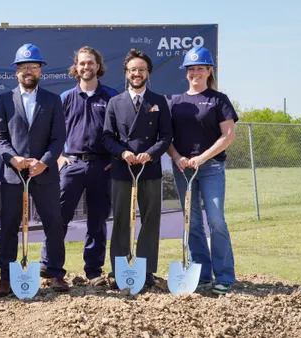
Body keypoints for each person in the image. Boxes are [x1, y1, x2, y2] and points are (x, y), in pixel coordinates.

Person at [0, 43, 70, 296]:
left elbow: (59, 137)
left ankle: (56, 273)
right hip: (14, 175)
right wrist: (13, 159)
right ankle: (5, 276)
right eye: (23, 67)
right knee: (9, 225)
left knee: (53, 223)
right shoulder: (4, 100)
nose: (28, 71)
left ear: (40, 70)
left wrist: (44, 161)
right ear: (16, 71)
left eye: (33, 66)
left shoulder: (53, 100)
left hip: (44, 174)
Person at [39, 46, 118, 286]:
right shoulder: (64, 98)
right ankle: (50, 267)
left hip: (101, 167)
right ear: (76, 67)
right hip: (71, 165)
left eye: (90, 63)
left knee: (97, 220)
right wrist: (60, 158)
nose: (86, 67)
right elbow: (52, 133)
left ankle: (93, 270)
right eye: (82, 63)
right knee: (58, 217)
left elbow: (119, 133)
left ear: (98, 66)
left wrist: (113, 160)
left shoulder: (111, 96)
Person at [167, 46, 238, 295]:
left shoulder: (219, 100)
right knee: (193, 223)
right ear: (186, 72)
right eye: (190, 68)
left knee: (216, 220)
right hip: (183, 169)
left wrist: (202, 158)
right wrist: (177, 157)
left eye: (200, 68)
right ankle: (203, 274)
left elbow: (228, 135)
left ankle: (225, 276)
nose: (195, 72)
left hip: (211, 168)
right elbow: (167, 138)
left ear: (209, 70)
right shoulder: (175, 102)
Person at [102, 48, 172, 288]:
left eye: (141, 70)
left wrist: (149, 154)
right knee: (122, 219)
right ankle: (119, 270)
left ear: (148, 73)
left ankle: (146, 270)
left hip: (149, 170)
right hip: (123, 171)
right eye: (133, 70)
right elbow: (107, 137)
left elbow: (166, 136)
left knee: (151, 219)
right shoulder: (115, 102)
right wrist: (123, 153)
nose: (137, 73)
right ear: (126, 73)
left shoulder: (158, 101)